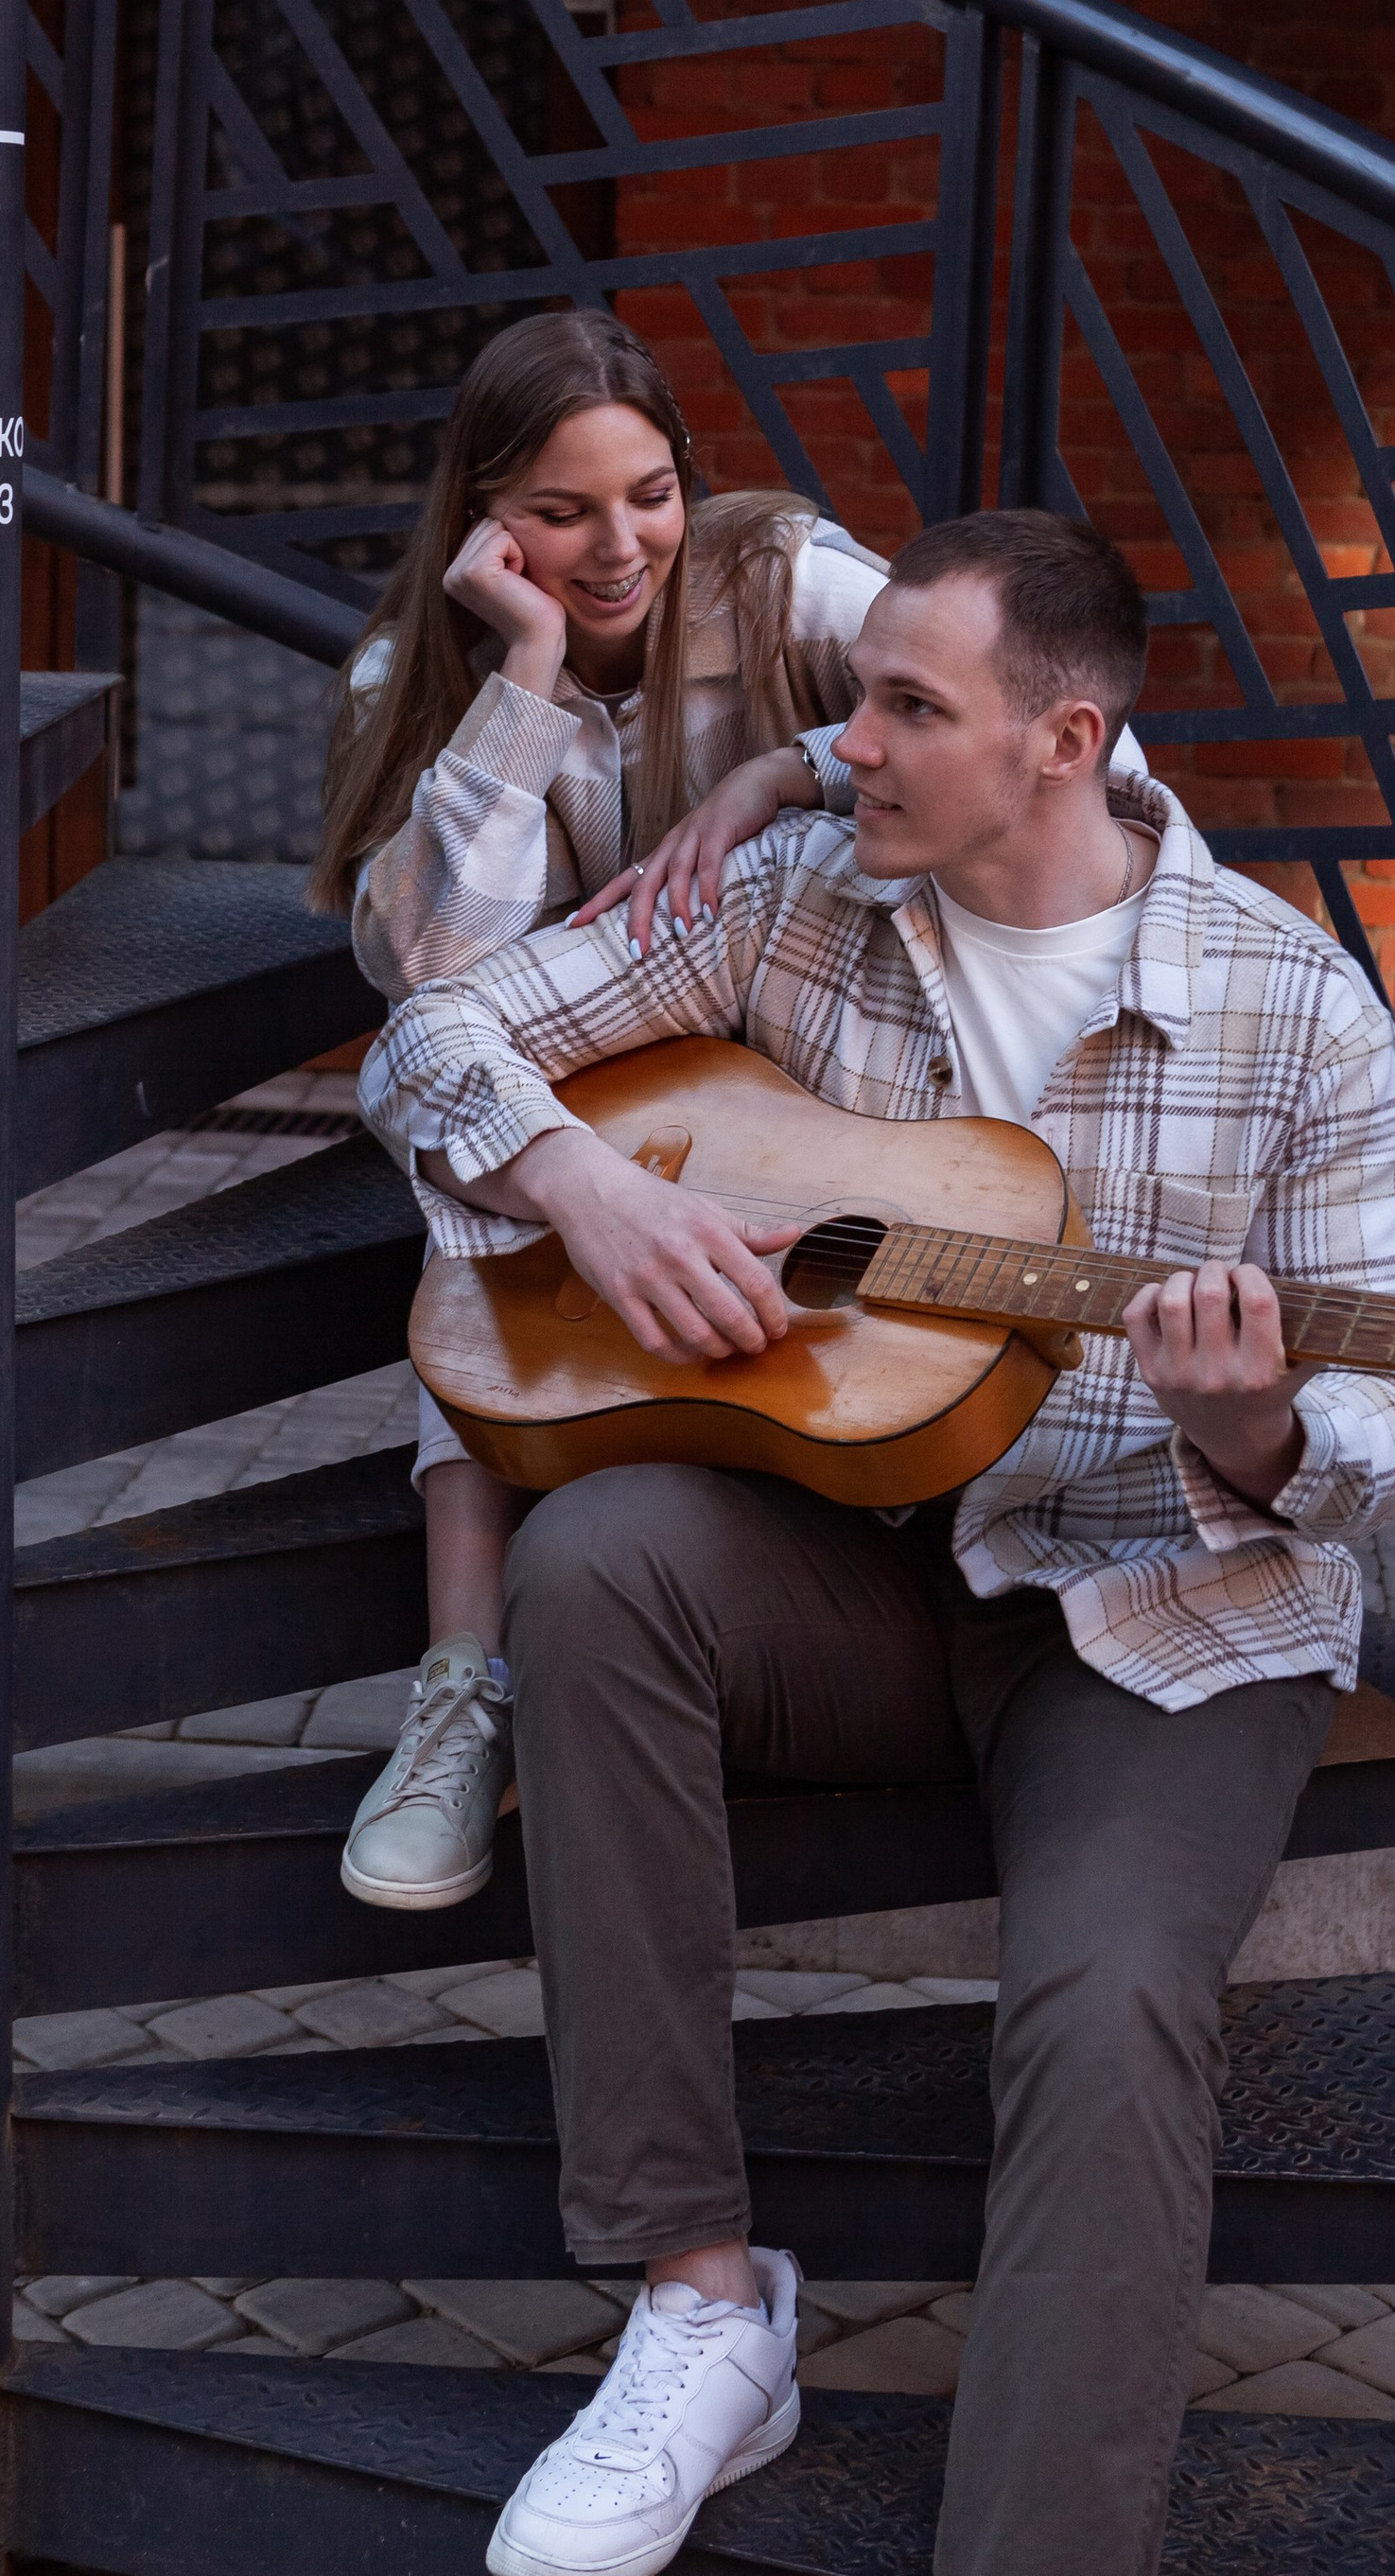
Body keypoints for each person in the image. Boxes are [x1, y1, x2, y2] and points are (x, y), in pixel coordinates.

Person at [357, 508, 1395, 2576]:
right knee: (597, 1565)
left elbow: (1393, 1404)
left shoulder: (1295, 1006)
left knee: (1108, 2006)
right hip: (852, 1550)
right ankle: (701, 2305)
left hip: (1162, 1597)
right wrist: (590, 1192)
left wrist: (1258, 1421)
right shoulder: (792, 901)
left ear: (1063, 742)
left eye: (907, 709)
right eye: (858, 697)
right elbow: (434, 1037)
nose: (841, 744)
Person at [312, 307, 920, 1911]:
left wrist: (785, 769)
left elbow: (995, 719)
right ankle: (464, 1689)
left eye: (649, 495)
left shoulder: (783, 580)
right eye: (561, 510)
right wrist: (522, 679)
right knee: (486, 1190)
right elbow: (432, 975)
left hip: (812, 1054)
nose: (619, 546)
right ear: (483, 514)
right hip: (569, 1090)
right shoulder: (412, 672)